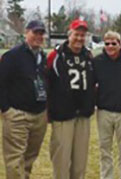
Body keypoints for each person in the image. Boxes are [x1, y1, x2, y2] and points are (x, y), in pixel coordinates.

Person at [47, 19, 95, 179]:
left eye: (83, 35)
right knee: (61, 162)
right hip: (62, 116)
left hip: (83, 115)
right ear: (69, 35)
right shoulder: (56, 56)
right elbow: (47, 84)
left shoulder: (88, 56)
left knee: (80, 164)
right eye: (76, 34)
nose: (79, 38)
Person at [0, 20, 47, 179]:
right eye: (35, 32)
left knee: (29, 160)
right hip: (17, 115)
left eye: (41, 33)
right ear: (26, 32)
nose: (38, 36)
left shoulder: (42, 56)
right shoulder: (12, 56)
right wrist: (6, 109)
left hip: (38, 115)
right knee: (15, 160)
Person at [93, 31, 121, 179]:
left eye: (113, 43)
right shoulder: (97, 61)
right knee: (105, 150)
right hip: (104, 111)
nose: (110, 46)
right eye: (107, 43)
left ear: (120, 43)